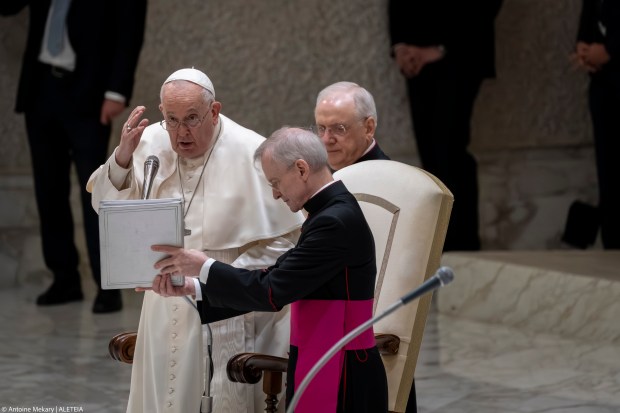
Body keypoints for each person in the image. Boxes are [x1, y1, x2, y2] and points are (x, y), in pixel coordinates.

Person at [87, 68, 304, 413]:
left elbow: (284, 242)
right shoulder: (149, 142)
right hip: (162, 299)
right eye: (171, 119)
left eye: (191, 119)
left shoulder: (251, 151)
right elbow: (105, 207)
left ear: (214, 111)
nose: (179, 132)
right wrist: (123, 157)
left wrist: (214, 274)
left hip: (224, 303)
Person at [144, 126, 389, 413]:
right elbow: (274, 277)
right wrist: (191, 287)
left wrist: (203, 265)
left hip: (343, 368)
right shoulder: (327, 214)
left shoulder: (334, 221)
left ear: (301, 169)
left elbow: (271, 291)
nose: (274, 194)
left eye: (275, 182)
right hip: (323, 354)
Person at [0, 0, 147, 313]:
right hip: (40, 89)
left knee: (96, 192)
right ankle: (64, 278)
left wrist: (117, 91)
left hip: (90, 92)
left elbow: (129, 29)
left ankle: (108, 286)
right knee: (48, 189)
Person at [388, 0, 503, 252]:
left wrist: (441, 48)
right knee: (430, 155)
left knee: (449, 150)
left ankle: (462, 248)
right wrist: (401, 46)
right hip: (415, 58)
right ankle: (440, 246)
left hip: (461, 54)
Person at [570, 0, 620, 249]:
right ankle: (612, 242)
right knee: (607, 166)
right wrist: (584, 44)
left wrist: (611, 48)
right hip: (603, 81)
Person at [314, 82, 390, 171]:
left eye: (339, 128)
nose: (326, 140)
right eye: (321, 128)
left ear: (368, 128)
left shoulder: (385, 179)